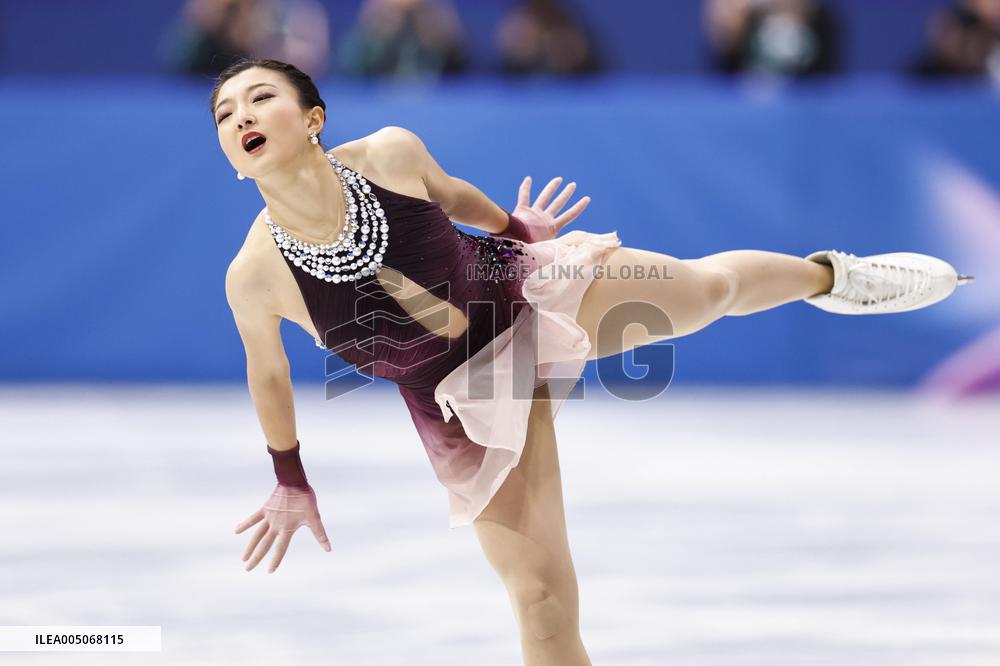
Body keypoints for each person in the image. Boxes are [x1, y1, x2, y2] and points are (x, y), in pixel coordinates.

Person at [211, 58, 972, 663]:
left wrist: (517, 228)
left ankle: (835, 277)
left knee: (709, 289)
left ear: (313, 119)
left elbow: (452, 196)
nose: (240, 115)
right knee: (540, 604)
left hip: (523, 294)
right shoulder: (254, 275)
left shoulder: (387, 153)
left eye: (259, 97)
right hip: (466, 404)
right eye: (224, 112)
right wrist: (289, 478)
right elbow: (268, 376)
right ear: (233, 159)